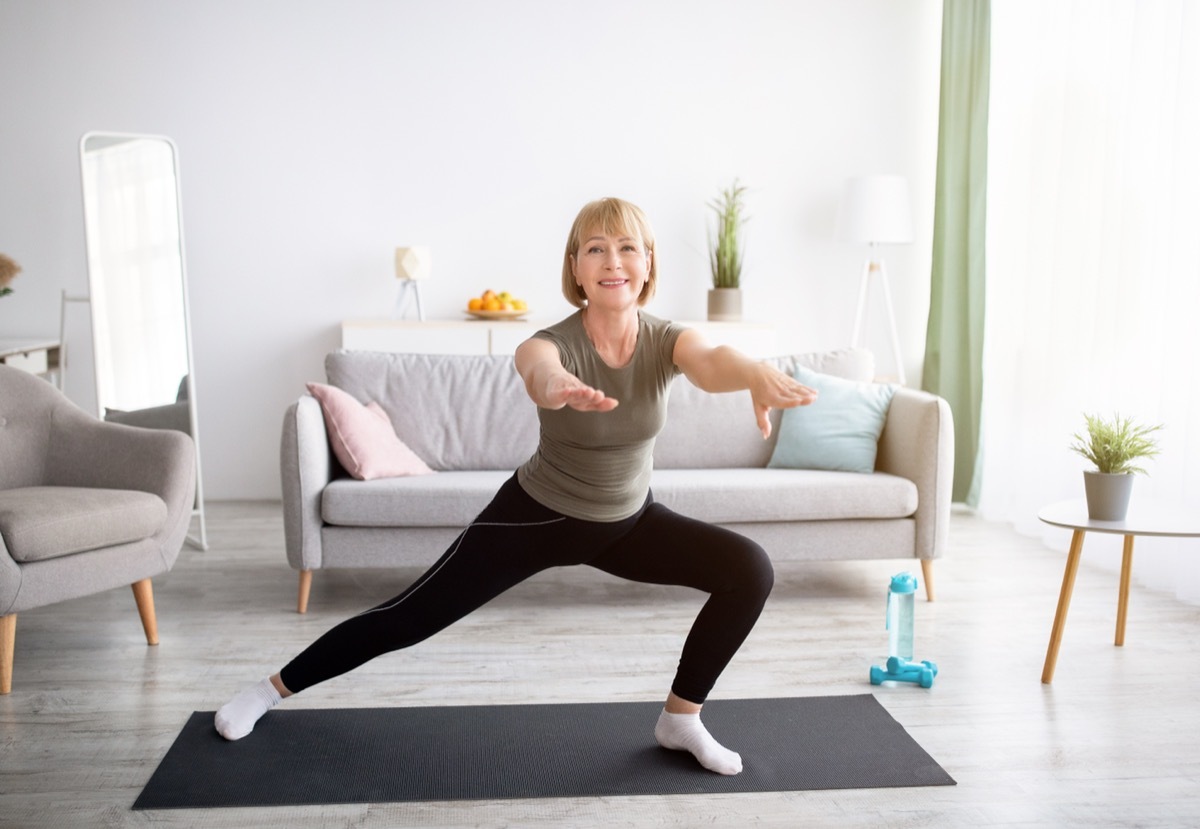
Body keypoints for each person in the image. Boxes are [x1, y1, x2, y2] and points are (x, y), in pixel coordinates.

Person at [215, 197, 818, 775]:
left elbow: (713, 360)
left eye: (628, 247)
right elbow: (539, 372)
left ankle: (680, 720)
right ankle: (268, 691)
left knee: (750, 569)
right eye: (596, 249)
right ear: (575, 269)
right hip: (538, 517)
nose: (613, 261)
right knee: (406, 618)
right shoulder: (549, 342)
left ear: (648, 263)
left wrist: (755, 373)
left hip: (628, 522)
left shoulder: (666, 340)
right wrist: (559, 388)